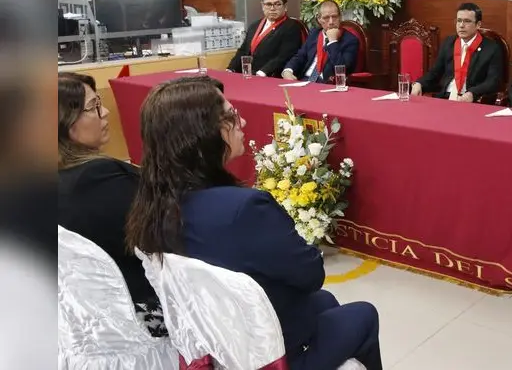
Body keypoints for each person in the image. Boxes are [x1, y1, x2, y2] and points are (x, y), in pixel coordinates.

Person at [125, 77, 381, 370]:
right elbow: (310, 274)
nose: (242, 122)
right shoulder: (245, 209)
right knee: (363, 314)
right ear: (202, 135)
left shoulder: (152, 205)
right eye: (231, 116)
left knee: (324, 302)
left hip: (214, 341)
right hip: (268, 354)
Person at [57, 72, 165, 336]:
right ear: (64, 121)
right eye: (93, 107)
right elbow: (162, 238)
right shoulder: (100, 178)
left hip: (78, 314)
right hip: (134, 313)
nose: (105, 112)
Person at [412, 2, 503, 102]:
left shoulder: (491, 48)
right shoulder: (449, 42)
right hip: (445, 97)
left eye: (467, 21)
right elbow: (435, 72)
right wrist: (419, 83)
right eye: (459, 21)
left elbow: (493, 81)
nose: (461, 25)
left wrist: (473, 93)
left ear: (478, 25)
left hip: (471, 100)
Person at [227, 0, 306, 77]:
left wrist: (262, 72)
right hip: (250, 74)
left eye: (277, 4)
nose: (272, 8)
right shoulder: (254, 25)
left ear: (285, 7)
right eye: (268, 4)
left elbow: (284, 56)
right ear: (262, 6)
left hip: (271, 75)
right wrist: (230, 69)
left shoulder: (292, 26)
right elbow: (243, 50)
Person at [281, 0, 358, 82]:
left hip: (327, 83)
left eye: (334, 17)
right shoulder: (315, 33)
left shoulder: (350, 40)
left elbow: (342, 69)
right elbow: (301, 56)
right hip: (304, 80)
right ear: (319, 19)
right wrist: (288, 70)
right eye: (326, 18)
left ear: (340, 17)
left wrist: (332, 42)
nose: (331, 22)